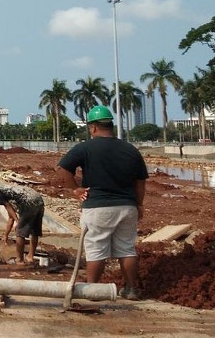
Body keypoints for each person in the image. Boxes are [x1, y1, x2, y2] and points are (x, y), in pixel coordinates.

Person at [57, 105, 148, 301]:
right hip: (127, 206)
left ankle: (93, 291)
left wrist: (76, 189)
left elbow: (63, 169)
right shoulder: (130, 150)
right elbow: (140, 182)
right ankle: (131, 289)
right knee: (126, 249)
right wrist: (138, 204)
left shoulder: (85, 148)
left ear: (93, 127)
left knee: (96, 250)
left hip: (97, 207)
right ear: (111, 125)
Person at [0, 182, 44, 266]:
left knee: (20, 232)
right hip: (38, 199)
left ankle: (19, 260)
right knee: (34, 231)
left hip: (28, 201)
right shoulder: (5, 190)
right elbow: (10, 217)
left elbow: (8, 208)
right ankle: (30, 257)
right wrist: (5, 235)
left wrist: (17, 221)